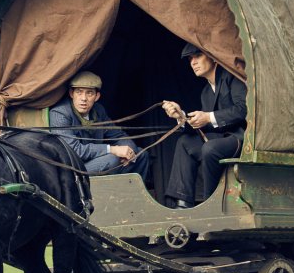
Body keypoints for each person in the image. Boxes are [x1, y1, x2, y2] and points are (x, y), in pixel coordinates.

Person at [162, 43, 247, 208]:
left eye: (197, 56)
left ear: (212, 57)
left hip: (240, 138)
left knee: (211, 149)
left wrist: (208, 116)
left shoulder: (232, 77)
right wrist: (181, 117)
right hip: (220, 139)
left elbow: (242, 110)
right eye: (190, 59)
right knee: (185, 142)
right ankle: (182, 203)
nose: (193, 62)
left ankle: (211, 205)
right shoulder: (206, 92)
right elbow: (207, 127)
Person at [50, 70, 149, 178]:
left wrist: (129, 151)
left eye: (89, 93)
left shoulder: (98, 110)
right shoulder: (60, 113)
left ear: (97, 96)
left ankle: (129, 194)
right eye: (79, 92)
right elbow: (74, 151)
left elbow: (118, 135)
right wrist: (112, 149)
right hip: (74, 168)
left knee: (140, 155)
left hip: (95, 160)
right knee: (113, 158)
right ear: (71, 93)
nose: (84, 98)